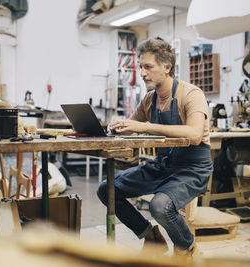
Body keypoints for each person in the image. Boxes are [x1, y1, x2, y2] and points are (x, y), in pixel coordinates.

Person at [97, 38, 213, 257]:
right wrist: (119, 127)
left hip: (192, 168)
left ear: (167, 67)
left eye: (148, 67)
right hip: (163, 165)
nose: (142, 73)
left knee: (160, 206)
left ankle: (188, 248)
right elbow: (133, 127)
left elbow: (195, 134)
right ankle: (151, 236)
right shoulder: (149, 100)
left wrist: (144, 126)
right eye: (141, 67)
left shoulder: (191, 94)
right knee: (106, 190)